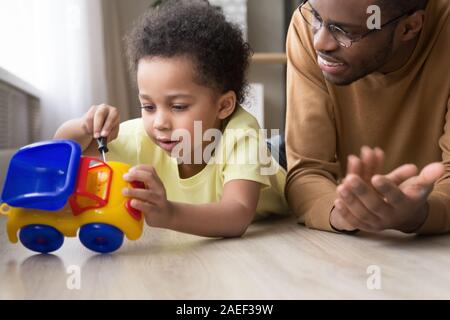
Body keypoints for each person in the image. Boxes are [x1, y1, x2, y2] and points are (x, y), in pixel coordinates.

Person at [55, 0, 288, 238]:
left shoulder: (241, 133)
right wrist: (85, 126)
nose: (159, 123)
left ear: (224, 105)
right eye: (148, 106)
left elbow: (236, 214)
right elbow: (65, 153)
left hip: (281, 163)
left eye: (177, 106)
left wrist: (170, 214)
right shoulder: (142, 136)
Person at [285, 0, 450, 234]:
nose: (319, 43)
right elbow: (307, 169)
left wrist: (420, 214)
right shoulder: (304, 26)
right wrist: (343, 213)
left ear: (409, 27)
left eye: (345, 31)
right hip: (353, 244)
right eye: (317, 18)